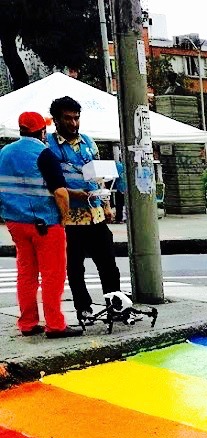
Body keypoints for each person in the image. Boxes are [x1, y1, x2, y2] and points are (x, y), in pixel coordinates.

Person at [0, 111, 81, 338]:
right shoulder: (44, 154)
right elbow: (60, 193)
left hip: (16, 222)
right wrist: (64, 218)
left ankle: (28, 323)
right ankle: (55, 324)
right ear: (42, 131)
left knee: (26, 273)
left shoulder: (4, 153)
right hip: (45, 223)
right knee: (52, 275)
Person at [47, 96, 124, 322]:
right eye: (67, 118)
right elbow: (51, 183)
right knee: (75, 267)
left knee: (108, 264)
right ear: (56, 120)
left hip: (95, 214)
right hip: (70, 218)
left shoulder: (89, 142)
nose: (73, 123)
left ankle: (115, 305)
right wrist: (74, 194)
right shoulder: (49, 146)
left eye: (76, 118)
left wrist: (106, 204)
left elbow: (98, 175)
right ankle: (84, 308)